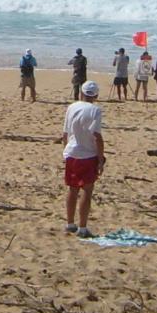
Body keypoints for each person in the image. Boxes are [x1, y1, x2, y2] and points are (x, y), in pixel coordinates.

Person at [61, 81, 106, 237]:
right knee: (87, 190)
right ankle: (82, 227)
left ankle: (70, 223)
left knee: (72, 189)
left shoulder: (72, 107)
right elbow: (97, 136)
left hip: (72, 152)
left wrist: (65, 152)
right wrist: (100, 159)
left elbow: (65, 134)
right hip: (87, 154)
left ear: (82, 93)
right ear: (96, 96)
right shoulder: (95, 110)